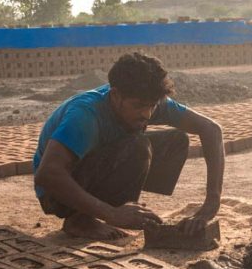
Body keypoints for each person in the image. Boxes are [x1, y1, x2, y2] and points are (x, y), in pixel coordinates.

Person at [33, 52, 224, 240]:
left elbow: (211, 130)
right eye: (140, 106)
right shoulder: (85, 115)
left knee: (176, 141)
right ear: (115, 95)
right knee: (138, 147)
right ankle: (80, 219)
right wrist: (111, 214)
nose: (147, 114)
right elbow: (47, 174)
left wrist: (211, 202)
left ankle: (121, 203)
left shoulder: (146, 100)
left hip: (94, 167)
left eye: (152, 105)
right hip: (57, 194)